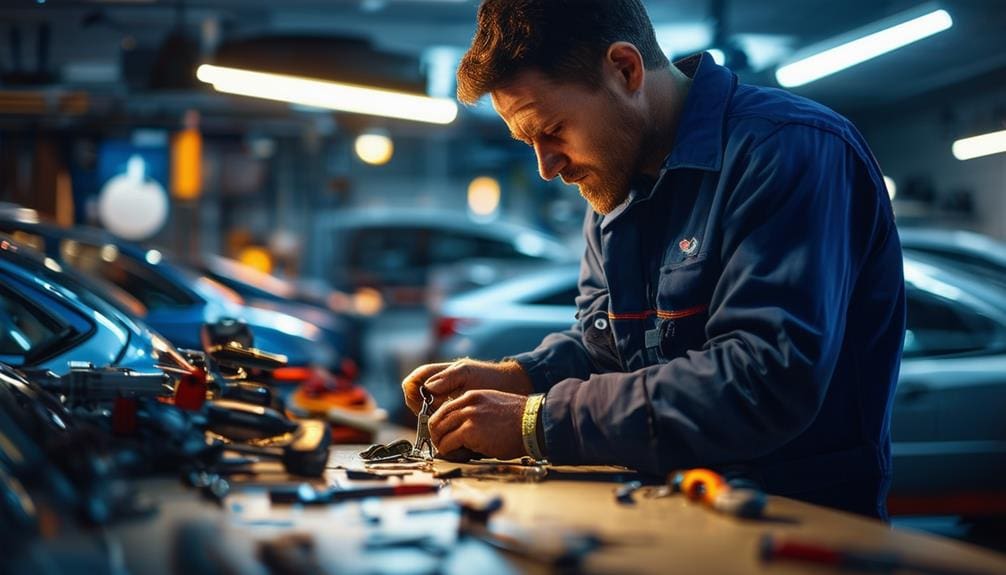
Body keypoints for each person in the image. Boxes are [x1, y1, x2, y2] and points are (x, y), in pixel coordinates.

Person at [402, 0, 905, 519]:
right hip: (665, 511)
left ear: (625, 69)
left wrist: (536, 421)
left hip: (798, 526)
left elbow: (763, 380)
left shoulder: (786, 151)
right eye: (527, 142)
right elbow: (610, 351)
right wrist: (518, 377)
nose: (547, 167)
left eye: (551, 129)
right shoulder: (613, 184)